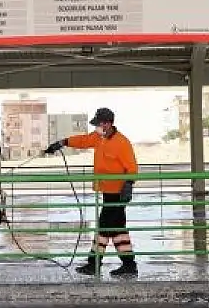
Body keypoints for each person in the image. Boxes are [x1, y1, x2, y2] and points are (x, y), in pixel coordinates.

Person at [45, 107, 139, 277]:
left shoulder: (122, 142)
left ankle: (94, 263)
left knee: (104, 226)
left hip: (118, 193)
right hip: (107, 192)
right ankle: (129, 265)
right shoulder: (99, 138)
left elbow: (132, 167)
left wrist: (128, 185)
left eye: (99, 124)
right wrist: (62, 143)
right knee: (117, 229)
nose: (96, 127)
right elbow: (83, 140)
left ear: (108, 124)